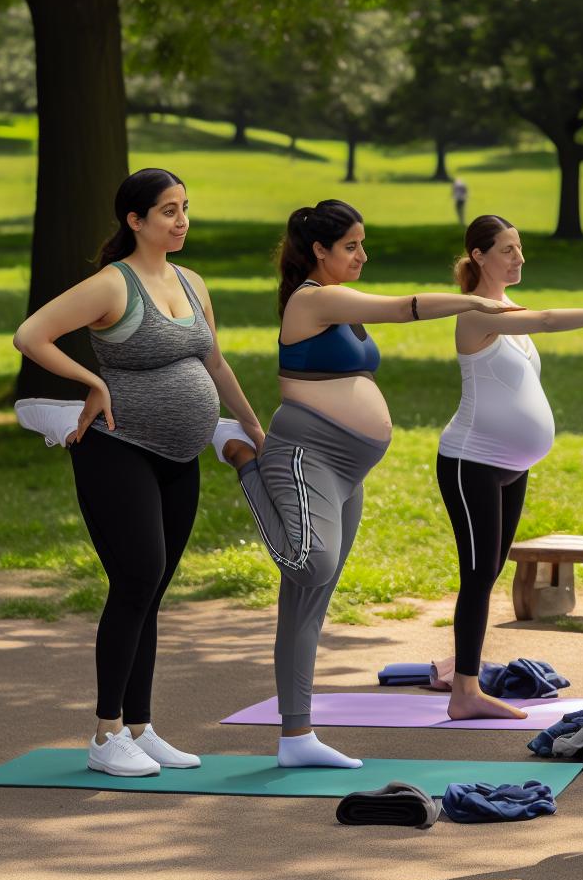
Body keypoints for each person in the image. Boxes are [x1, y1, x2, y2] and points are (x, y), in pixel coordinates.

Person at [219, 200, 513, 769]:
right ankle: (241, 457)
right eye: (351, 246)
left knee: (308, 603)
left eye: (362, 244)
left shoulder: (339, 299)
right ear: (319, 251)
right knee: (310, 565)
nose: (362, 255)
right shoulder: (312, 298)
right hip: (305, 454)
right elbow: (403, 308)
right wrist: (474, 300)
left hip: (347, 469)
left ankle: (296, 737)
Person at [13, 168, 265, 777]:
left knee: (151, 590)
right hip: (117, 451)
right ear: (135, 220)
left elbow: (215, 363)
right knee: (136, 580)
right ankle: (105, 736)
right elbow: (30, 335)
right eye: (168, 211)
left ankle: (140, 728)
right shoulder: (111, 284)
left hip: (180, 457)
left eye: (185, 208)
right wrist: (93, 382)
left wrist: (255, 428)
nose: (181, 221)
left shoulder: (191, 281)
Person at [436, 216, 583, 719]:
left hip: (510, 467)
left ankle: (462, 674)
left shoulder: (509, 308)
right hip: (471, 460)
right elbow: (545, 321)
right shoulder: (475, 313)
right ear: (479, 256)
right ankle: (464, 694)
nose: (519, 258)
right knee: (478, 574)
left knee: (488, 571)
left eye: (520, 248)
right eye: (507, 250)